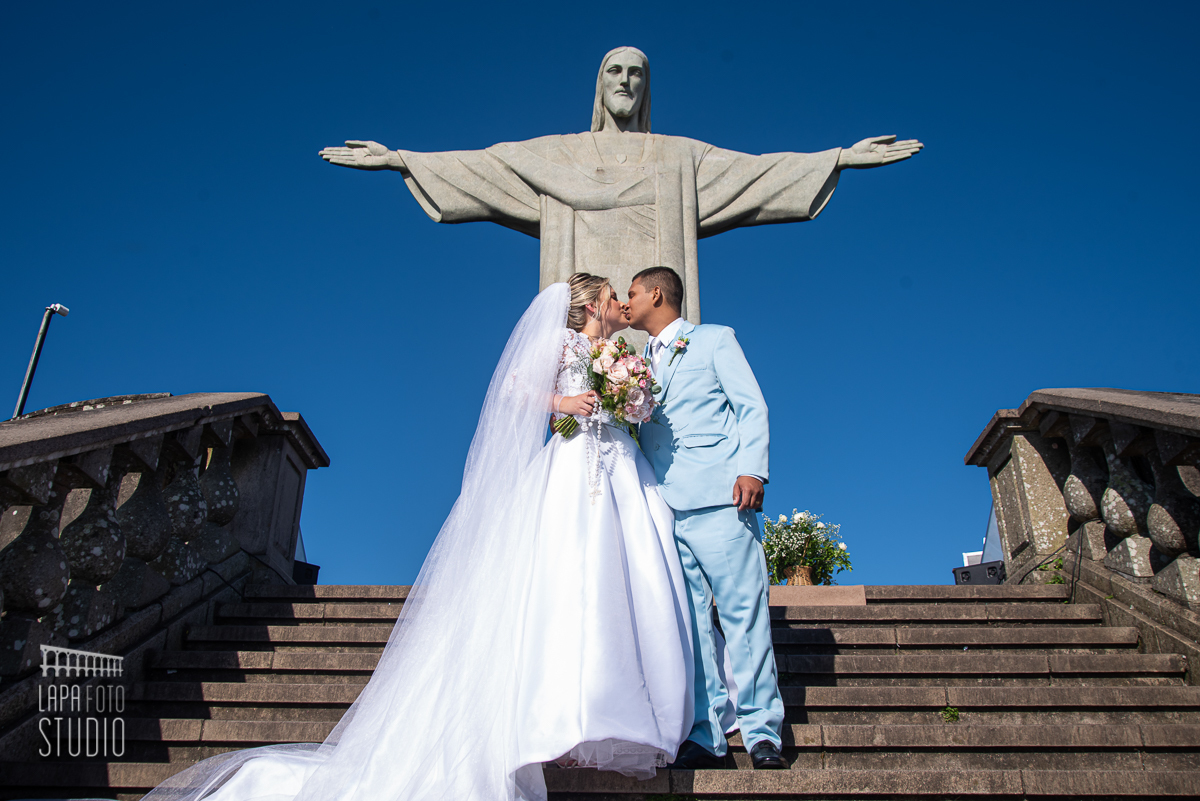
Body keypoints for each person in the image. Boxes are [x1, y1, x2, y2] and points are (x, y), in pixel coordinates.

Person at [143, 275, 694, 801]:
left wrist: (627, 399)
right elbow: (515, 389)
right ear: (590, 302)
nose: (618, 301)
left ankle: (605, 716)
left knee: (618, 584)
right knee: (562, 579)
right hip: (572, 467)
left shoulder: (624, 357)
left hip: (618, 464)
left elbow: (628, 404)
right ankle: (550, 719)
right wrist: (564, 405)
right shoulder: (561, 341)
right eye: (609, 294)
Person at [626, 266, 787, 770]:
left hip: (722, 498)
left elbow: (751, 406)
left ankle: (763, 733)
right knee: (690, 626)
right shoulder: (633, 363)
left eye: (632, 292)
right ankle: (706, 733)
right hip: (664, 508)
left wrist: (752, 471)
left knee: (744, 616)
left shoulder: (716, 340)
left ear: (656, 293)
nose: (627, 302)